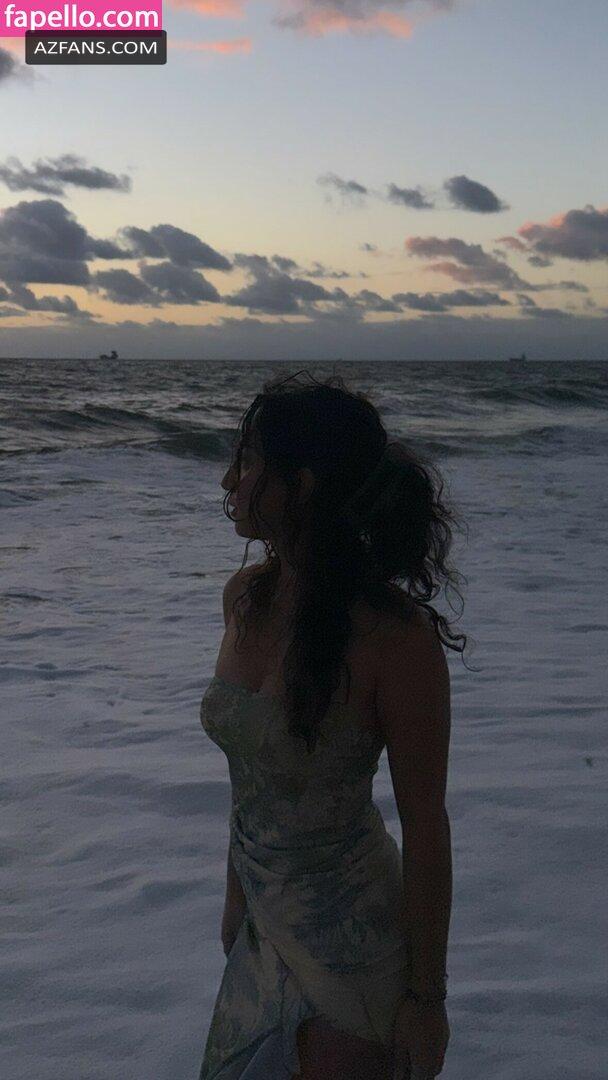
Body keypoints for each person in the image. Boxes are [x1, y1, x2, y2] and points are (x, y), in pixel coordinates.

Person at [198, 371, 470, 1079]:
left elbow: (426, 823)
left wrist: (427, 1000)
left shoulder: (395, 640)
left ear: (303, 485)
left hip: (352, 950)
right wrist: (236, 898)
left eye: (249, 462)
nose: (229, 480)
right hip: (259, 931)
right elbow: (251, 779)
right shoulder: (245, 598)